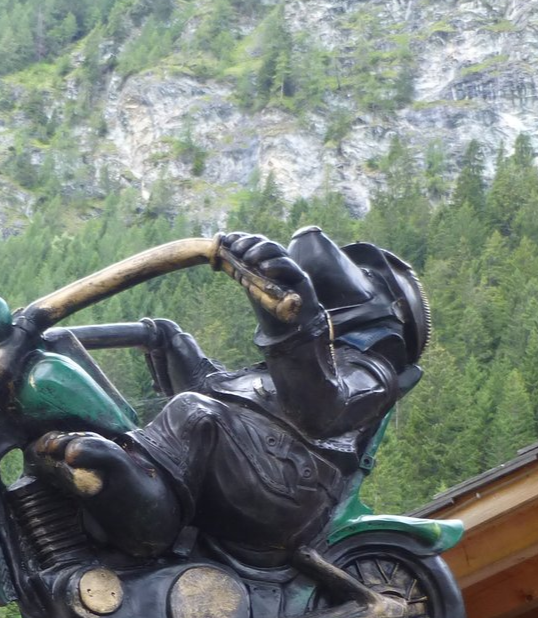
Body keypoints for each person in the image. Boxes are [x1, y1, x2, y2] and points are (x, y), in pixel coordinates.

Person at [27, 226, 430, 563]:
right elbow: (212, 386)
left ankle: (149, 521)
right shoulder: (275, 370)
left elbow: (322, 410)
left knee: (194, 412)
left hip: (287, 490)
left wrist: (297, 320)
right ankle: (100, 471)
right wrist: (50, 338)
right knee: (170, 350)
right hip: (251, 465)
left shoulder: (370, 372)